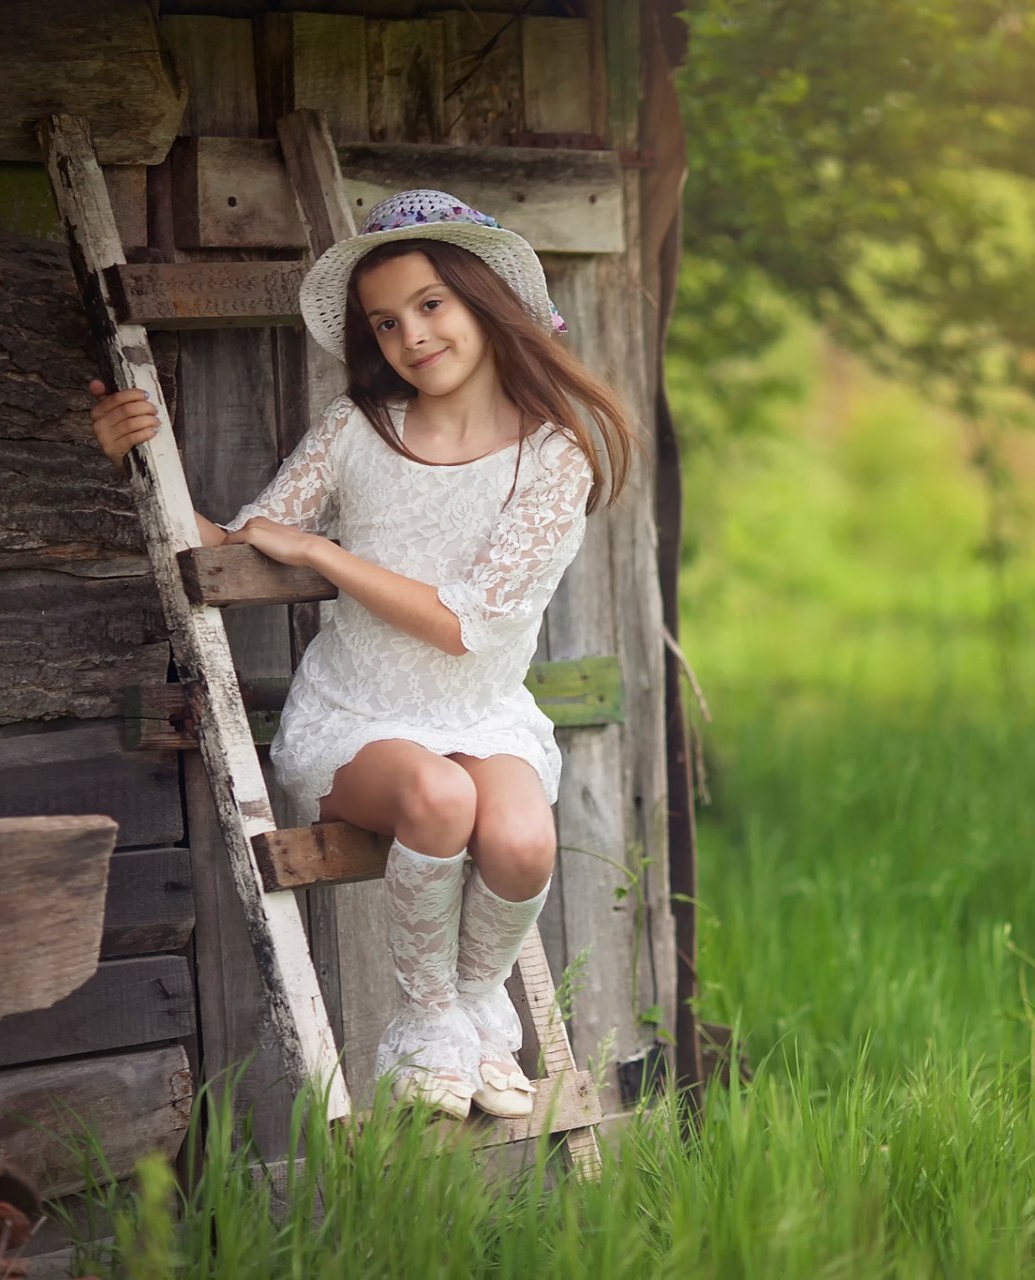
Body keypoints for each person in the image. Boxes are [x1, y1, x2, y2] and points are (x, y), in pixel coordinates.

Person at [86, 189, 637, 1121]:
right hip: (361, 715)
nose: (411, 335)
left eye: (431, 305)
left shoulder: (555, 456)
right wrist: (136, 462)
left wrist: (327, 555)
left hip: (484, 712)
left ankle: (471, 1014)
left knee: (523, 838)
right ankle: (423, 1024)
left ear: (485, 301)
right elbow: (232, 545)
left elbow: (469, 624)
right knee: (440, 797)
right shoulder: (358, 430)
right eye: (386, 323)